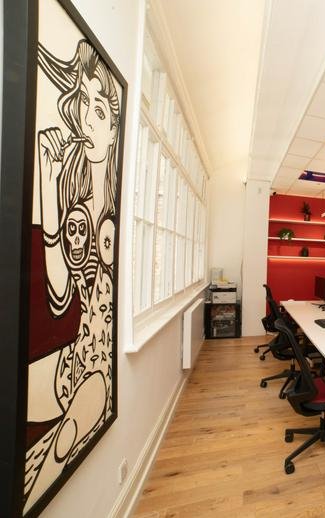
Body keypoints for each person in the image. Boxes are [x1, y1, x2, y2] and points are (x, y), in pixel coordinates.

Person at [25, 38, 122, 512]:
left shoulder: (107, 209)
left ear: (112, 128)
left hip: (97, 375)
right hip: (71, 362)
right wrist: (46, 186)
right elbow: (60, 291)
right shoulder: (77, 202)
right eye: (84, 102)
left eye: (99, 109)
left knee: (56, 452)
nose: (86, 117)